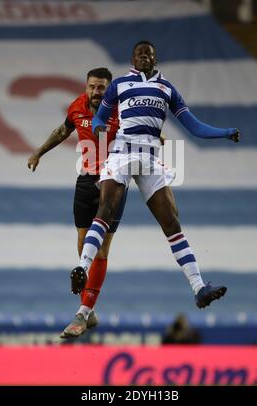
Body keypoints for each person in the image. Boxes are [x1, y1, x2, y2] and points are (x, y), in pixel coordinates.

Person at [71, 41, 240, 309]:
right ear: (133, 59)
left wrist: (224, 132)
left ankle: (198, 287)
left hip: (150, 159)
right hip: (123, 154)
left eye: (148, 54)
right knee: (105, 209)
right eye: (139, 54)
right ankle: (81, 268)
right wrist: (101, 129)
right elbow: (99, 119)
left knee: (172, 223)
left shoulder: (167, 89)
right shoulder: (119, 85)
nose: (144, 57)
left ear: (155, 59)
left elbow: (193, 125)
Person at [27, 67, 127, 338]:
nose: (97, 92)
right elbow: (62, 130)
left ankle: (82, 313)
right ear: (86, 87)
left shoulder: (122, 108)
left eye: (102, 87)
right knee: (84, 247)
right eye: (93, 87)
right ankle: (89, 308)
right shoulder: (77, 107)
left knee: (102, 248)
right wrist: (38, 152)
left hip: (114, 183)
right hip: (85, 180)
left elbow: (142, 131)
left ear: (110, 88)